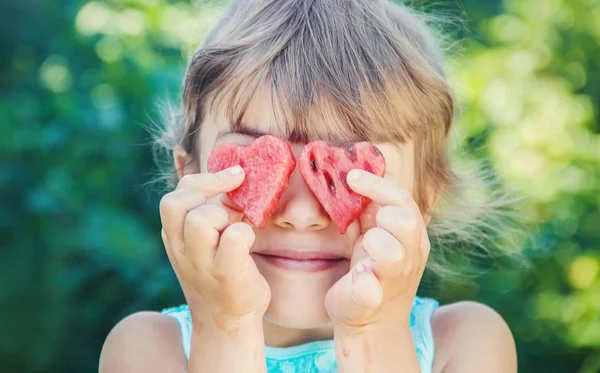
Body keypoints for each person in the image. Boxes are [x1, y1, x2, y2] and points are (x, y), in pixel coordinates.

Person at [99, 0, 522, 372]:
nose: (300, 214)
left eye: (352, 176)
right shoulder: (146, 350)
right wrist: (226, 328)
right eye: (254, 168)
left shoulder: (466, 343)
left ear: (424, 199)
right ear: (188, 179)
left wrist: (371, 331)